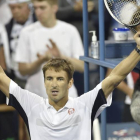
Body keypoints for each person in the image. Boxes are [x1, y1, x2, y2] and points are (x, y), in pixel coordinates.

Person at [1, 30, 140, 139]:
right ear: (44, 82)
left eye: (60, 79)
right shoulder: (31, 104)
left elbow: (115, 77)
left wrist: (138, 49)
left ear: (70, 83)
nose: (54, 84)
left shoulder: (85, 105)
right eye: (49, 78)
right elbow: (1, 78)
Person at [15, 0, 84, 98]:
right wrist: (40, 61)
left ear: (54, 8)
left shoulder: (70, 30)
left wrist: (60, 57)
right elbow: (22, 70)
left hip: (66, 98)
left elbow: (82, 66)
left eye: (42, 8)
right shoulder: (26, 32)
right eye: (35, 8)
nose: (38, 12)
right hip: (35, 98)